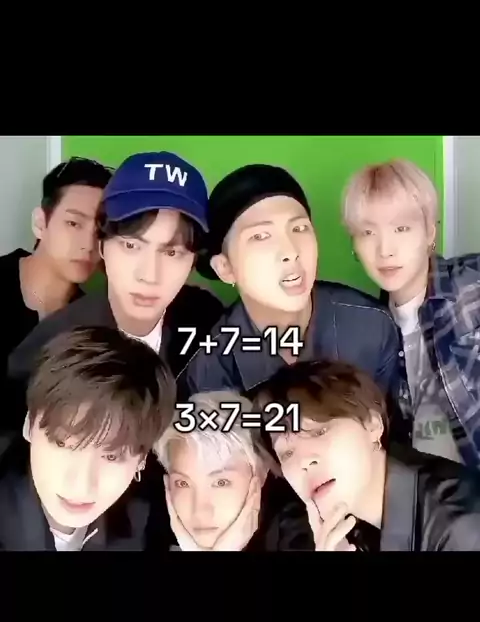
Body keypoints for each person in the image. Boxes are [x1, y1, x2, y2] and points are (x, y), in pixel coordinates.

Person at [8, 151, 225, 399]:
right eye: (131, 246)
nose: (149, 275)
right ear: (102, 246)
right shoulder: (49, 351)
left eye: (172, 252)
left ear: (193, 261)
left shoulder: (207, 318)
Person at [179, 163, 400, 400]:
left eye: (299, 228)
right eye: (260, 236)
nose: (290, 251)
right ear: (225, 268)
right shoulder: (209, 367)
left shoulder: (371, 326)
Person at [253, 359, 480, 551]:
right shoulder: (313, 526)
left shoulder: (459, 529)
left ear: (373, 425)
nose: (304, 461)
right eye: (287, 453)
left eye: (319, 432)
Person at [342, 158, 480, 469]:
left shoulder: (472, 285)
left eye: (401, 228)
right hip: (436, 493)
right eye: (367, 232)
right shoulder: (370, 328)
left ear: (430, 231)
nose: (385, 249)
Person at [0, 326, 176, 551]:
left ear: (141, 460)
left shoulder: (144, 525)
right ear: (29, 426)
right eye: (63, 443)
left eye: (111, 456)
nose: (81, 484)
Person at [0, 156, 112, 384]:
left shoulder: (91, 325)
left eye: (100, 231)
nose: (88, 244)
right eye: (74, 223)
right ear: (40, 223)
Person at [153, 389, 306, 551]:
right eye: (182, 483)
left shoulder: (301, 534)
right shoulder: (148, 533)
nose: (200, 512)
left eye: (221, 482)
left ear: (261, 474)